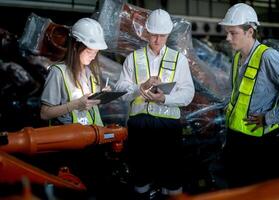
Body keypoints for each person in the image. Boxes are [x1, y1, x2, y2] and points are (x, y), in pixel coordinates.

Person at [115, 9, 195, 199]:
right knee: (140, 177)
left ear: (168, 34)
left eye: (162, 35)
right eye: (154, 35)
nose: (157, 40)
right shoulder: (133, 59)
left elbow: (188, 93)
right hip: (139, 127)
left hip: (168, 128)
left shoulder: (179, 60)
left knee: (172, 177)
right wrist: (138, 87)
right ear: (146, 33)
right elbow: (120, 89)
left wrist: (165, 99)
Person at [219, 3, 279, 187]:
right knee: (236, 188)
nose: (227, 37)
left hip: (258, 143)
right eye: (227, 32)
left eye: (233, 32)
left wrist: (271, 117)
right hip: (235, 137)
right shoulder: (238, 56)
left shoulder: (268, 57)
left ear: (250, 32)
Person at [40, 18, 110, 126]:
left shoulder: (90, 73)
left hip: (94, 135)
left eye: (96, 52)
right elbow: (44, 114)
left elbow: (90, 108)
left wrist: (100, 97)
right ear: (75, 46)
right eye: (89, 51)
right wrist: (76, 104)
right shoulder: (58, 72)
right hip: (72, 138)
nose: (93, 56)